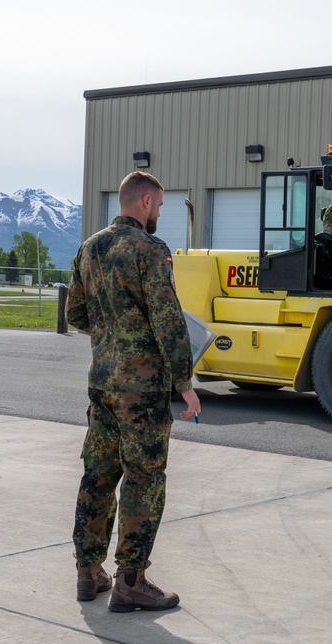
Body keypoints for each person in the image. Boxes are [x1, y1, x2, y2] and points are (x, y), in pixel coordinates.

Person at [67, 171, 200, 612]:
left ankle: (89, 572)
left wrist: (112, 335)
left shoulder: (91, 247)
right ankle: (131, 580)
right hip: (140, 391)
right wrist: (185, 383)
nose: (160, 212)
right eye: (159, 206)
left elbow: (76, 314)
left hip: (102, 382)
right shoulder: (150, 250)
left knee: (99, 474)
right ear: (144, 201)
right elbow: (168, 322)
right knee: (144, 479)